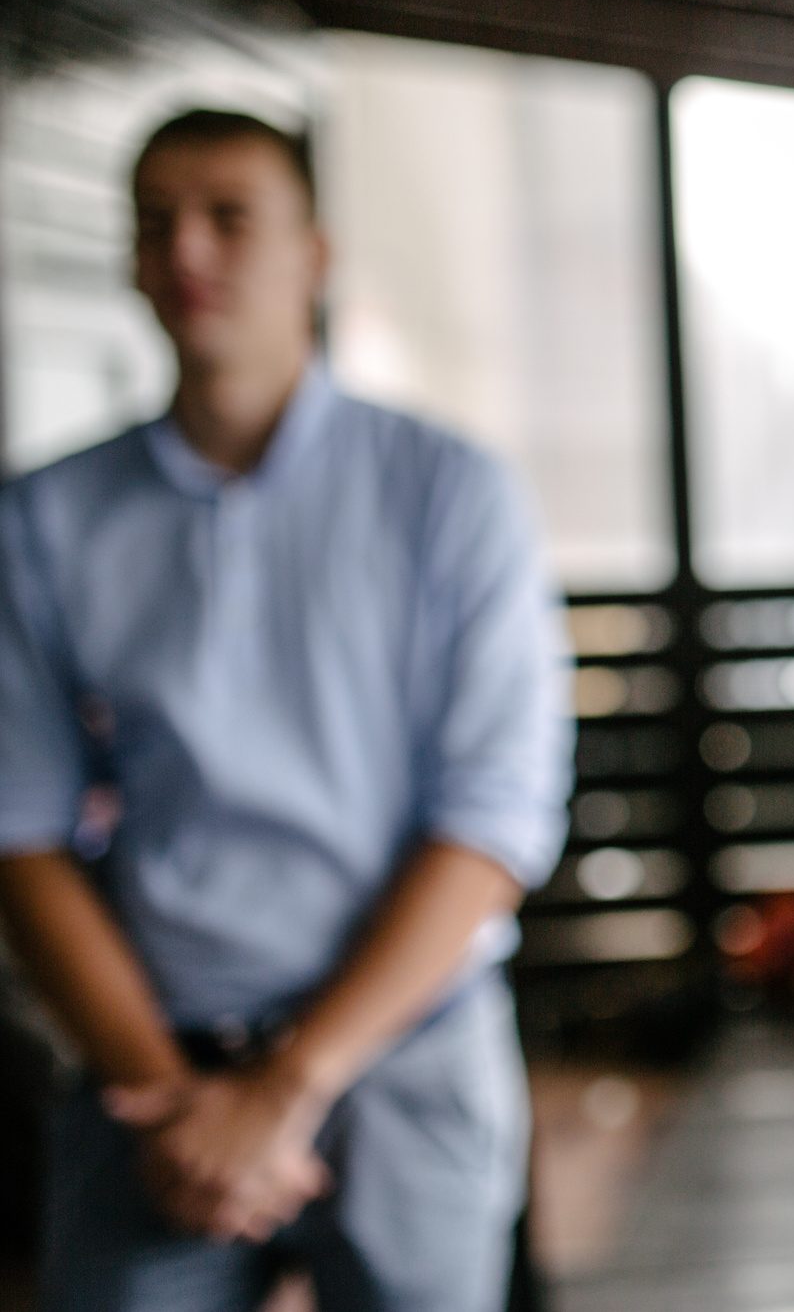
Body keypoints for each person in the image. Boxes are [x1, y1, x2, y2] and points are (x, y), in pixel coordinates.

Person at [0, 110, 571, 1312]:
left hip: (410, 1050)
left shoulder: (449, 492)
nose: (188, 251)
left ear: (315, 254)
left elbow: (492, 821)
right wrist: (181, 1101)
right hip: (151, 1070)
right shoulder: (44, 519)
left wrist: (285, 1089)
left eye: (229, 217)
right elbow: (21, 829)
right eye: (156, 223)